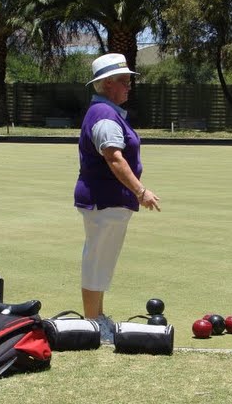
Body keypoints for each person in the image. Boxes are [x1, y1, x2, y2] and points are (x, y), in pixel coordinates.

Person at [74, 53, 160, 343]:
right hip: (104, 199)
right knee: (98, 260)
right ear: (108, 84)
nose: (129, 86)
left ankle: (97, 317)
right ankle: (92, 321)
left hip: (109, 200)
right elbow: (114, 158)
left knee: (103, 260)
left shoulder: (107, 113)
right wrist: (141, 191)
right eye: (124, 81)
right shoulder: (104, 116)